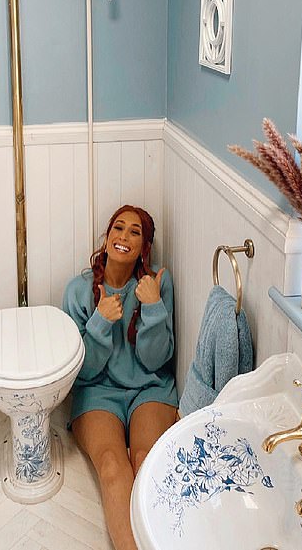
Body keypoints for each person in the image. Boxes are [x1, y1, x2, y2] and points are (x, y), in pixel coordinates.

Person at [62, 205, 178, 550]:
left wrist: (154, 307)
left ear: (145, 248)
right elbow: (78, 372)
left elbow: (156, 359)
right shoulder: (78, 291)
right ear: (107, 236)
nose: (123, 237)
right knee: (112, 467)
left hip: (150, 387)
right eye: (118, 228)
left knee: (145, 461)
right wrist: (99, 322)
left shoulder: (156, 284)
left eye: (134, 232)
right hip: (96, 392)